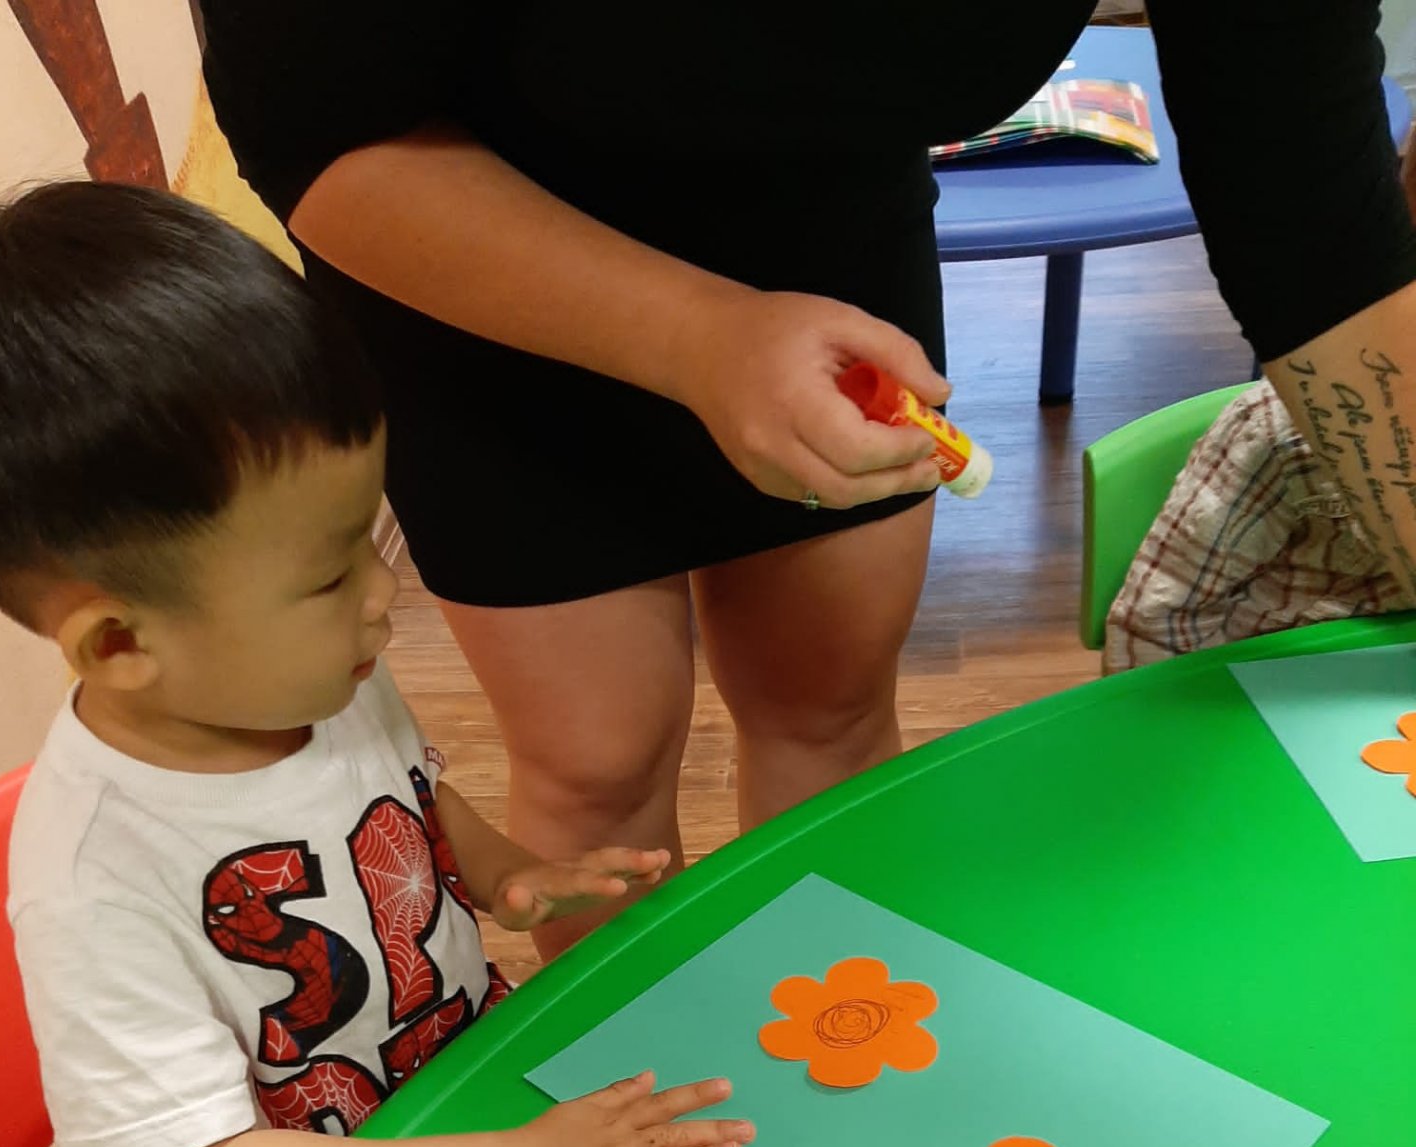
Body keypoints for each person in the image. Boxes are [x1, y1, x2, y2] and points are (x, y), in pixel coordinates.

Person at [199, 2, 1416, 956]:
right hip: (474, 253)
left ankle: (841, 1032)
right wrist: (693, 336)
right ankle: (639, 1096)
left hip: (826, 227)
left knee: (828, 706)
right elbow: (314, 124)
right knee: (596, 759)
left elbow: (1312, 200)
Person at [0, 183, 753, 1147]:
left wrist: (504, 874)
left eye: (367, 542)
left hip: (475, 1109)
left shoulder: (312, 678)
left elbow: (405, 795)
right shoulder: (95, 879)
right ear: (118, 645)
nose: (386, 594)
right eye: (332, 573)